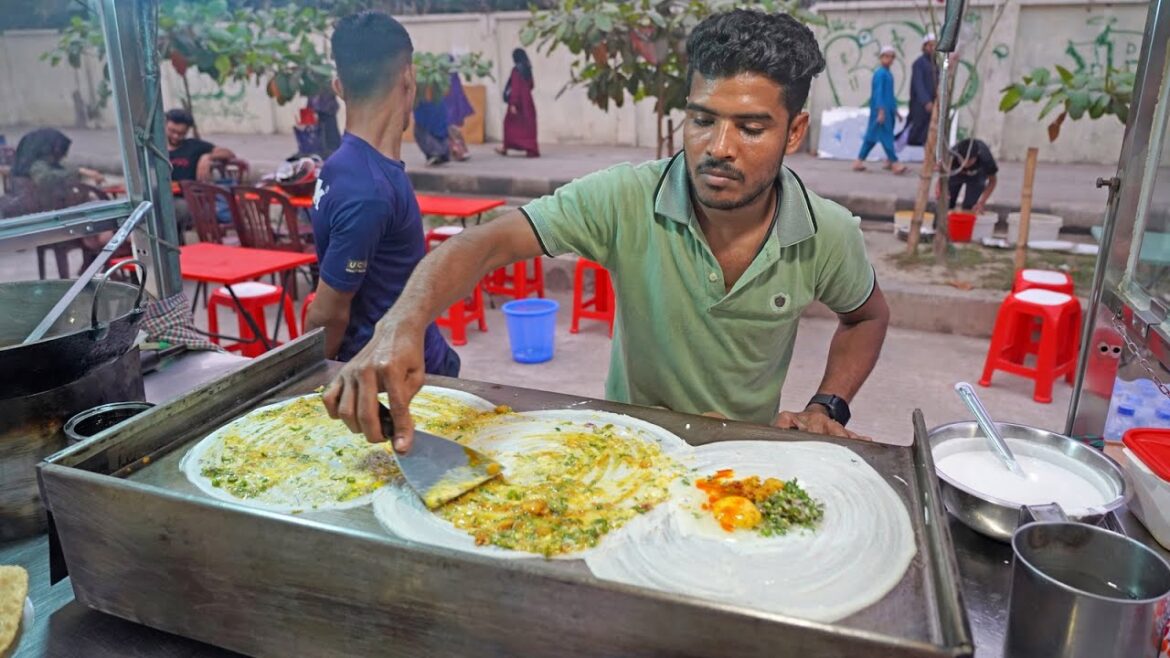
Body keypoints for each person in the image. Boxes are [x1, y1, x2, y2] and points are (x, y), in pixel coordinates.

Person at [324, 9, 890, 451]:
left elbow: (866, 316)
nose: (719, 148)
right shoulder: (625, 197)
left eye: (750, 127)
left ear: (794, 133)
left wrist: (829, 405)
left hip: (745, 457)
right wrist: (403, 320)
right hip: (626, 448)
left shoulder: (826, 232)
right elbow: (489, 241)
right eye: (702, 120)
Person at [305, 11, 460, 377]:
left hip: (419, 358)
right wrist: (310, 388)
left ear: (339, 86)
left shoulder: (345, 167)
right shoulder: (368, 188)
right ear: (409, 76)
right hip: (392, 382)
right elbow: (328, 312)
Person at [852, 46, 906, 174]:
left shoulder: (888, 74)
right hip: (881, 112)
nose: (889, 59)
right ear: (881, 58)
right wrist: (881, 111)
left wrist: (896, 111)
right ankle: (894, 162)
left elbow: (890, 96)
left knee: (871, 138)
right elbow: (879, 94)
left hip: (888, 112)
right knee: (886, 137)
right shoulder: (880, 74)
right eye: (886, 56)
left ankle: (859, 161)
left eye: (891, 57)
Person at [165, 108, 235, 183]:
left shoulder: (194, 146)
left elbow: (228, 153)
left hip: (187, 191)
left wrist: (208, 157)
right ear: (164, 125)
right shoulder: (154, 148)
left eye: (181, 133)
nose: (176, 136)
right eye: (172, 131)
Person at [496, 48, 539, 158]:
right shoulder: (528, 69)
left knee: (509, 125)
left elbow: (515, 87)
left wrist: (513, 103)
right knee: (528, 127)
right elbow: (531, 85)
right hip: (528, 102)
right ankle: (531, 149)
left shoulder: (516, 70)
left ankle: (505, 147)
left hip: (518, 103)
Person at [947, 138, 998, 213]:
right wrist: (940, 187)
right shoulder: (951, 155)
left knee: (970, 207)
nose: (965, 164)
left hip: (977, 176)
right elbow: (943, 175)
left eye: (969, 161)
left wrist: (981, 202)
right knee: (947, 202)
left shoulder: (986, 159)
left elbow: (992, 181)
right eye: (962, 160)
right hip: (956, 174)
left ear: (976, 156)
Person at [905, 33, 937, 147]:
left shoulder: (934, 64)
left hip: (932, 103)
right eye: (930, 45)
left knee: (927, 132)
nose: (932, 48)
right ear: (924, 47)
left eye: (934, 45)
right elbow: (918, 84)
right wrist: (926, 101)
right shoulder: (919, 63)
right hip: (920, 105)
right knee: (914, 130)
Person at [444, 63, 474, 162]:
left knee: (452, 133)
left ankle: (460, 152)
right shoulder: (453, 78)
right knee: (452, 133)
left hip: (448, 113)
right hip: (450, 112)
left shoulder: (447, 79)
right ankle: (459, 152)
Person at [412, 96, 451, 166]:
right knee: (438, 125)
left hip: (425, 103)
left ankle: (435, 153)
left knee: (422, 128)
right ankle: (442, 153)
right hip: (436, 102)